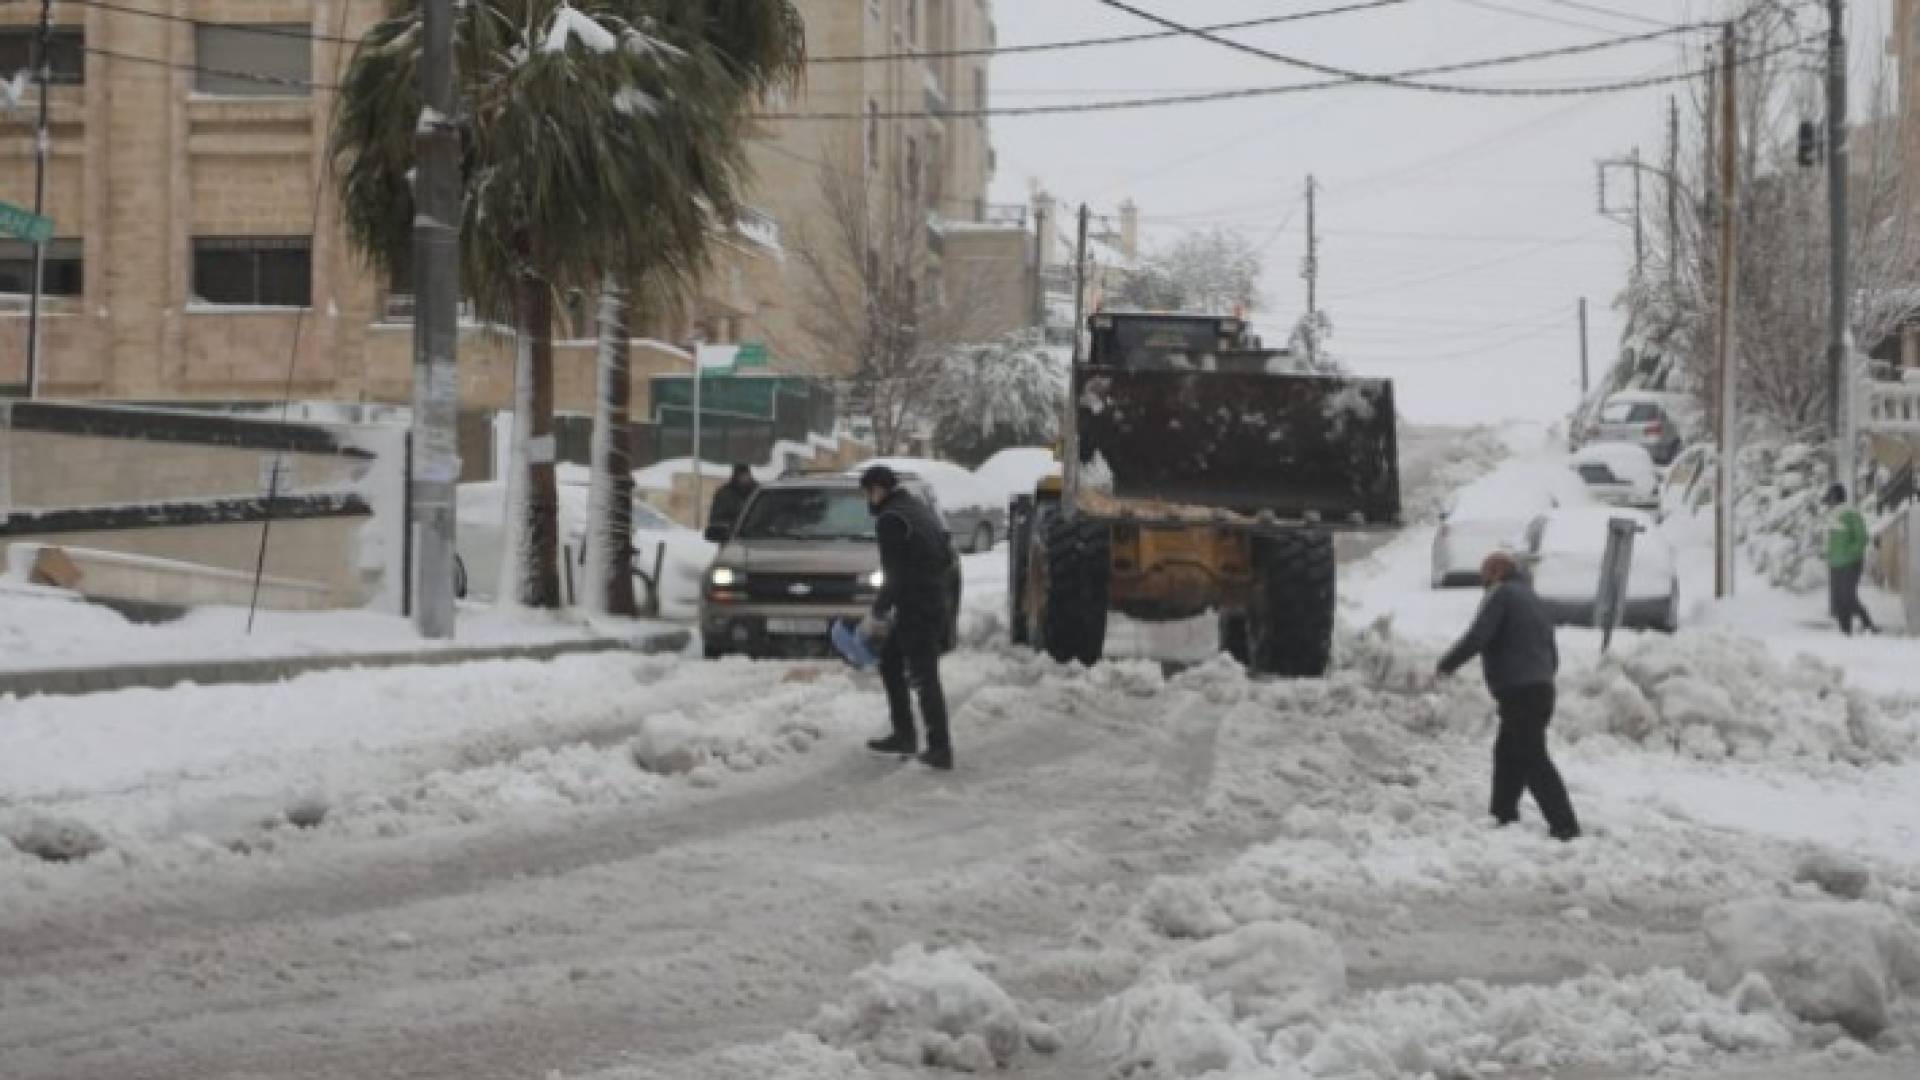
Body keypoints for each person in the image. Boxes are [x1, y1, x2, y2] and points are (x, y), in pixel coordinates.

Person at [1435, 551, 1581, 841]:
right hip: (1541, 687)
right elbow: (1551, 653)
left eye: (1484, 575)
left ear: (1498, 573)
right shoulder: (1533, 600)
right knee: (1508, 752)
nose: (1482, 581)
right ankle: (1502, 813)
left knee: (1532, 757)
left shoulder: (1501, 595)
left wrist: (1447, 664)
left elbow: (1478, 636)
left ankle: (1564, 824)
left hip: (1519, 690)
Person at [858, 465, 957, 770]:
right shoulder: (916, 507)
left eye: (867, 492)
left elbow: (894, 575)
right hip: (933, 599)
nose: (868, 499)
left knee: (924, 676)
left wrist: (876, 613)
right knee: (891, 661)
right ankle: (904, 734)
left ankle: (940, 748)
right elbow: (946, 553)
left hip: (917, 607)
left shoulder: (891, 519)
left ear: (878, 490)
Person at [1824, 483, 1877, 636]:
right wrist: (1826, 552)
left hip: (1850, 563)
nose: (1829, 502)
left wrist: (1850, 553)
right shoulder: (1831, 516)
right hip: (1834, 563)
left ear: (1837, 497)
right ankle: (1847, 631)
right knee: (1839, 599)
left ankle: (1860, 627)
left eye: (1831, 498)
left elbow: (1862, 537)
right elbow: (1829, 539)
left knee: (1848, 596)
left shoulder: (1852, 513)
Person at [707, 464, 758, 535]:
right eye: (741, 475)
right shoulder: (725, 494)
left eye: (746, 475)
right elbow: (715, 520)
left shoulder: (758, 492)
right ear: (735, 476)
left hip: (758, 535)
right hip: (731, 536)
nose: (744, 478)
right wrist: (733, 524)